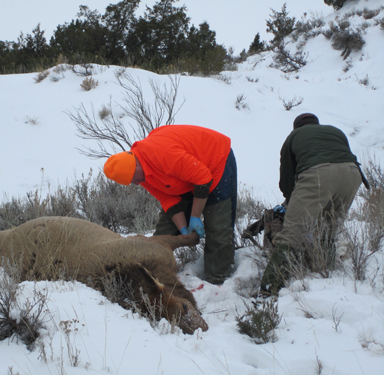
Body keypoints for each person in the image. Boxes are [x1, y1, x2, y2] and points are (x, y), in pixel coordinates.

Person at [103, 125, 237, 285]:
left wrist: (194, 217)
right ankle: (153, 279)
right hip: (186, 176)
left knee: (217, 228)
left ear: (136, 166)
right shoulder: (142, 175)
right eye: (131, 182)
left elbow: (203, 179)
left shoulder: (162, 154)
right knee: (163, 233)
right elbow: (169, 200)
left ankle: (219, 282)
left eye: (133, 179)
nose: (137, 184)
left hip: (215, 161)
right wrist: (183, 230)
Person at [261, 113, 367, 294]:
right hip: (352, 173)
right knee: (329, 228)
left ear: (296, 127)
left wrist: (290, 200)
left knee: (292, 233)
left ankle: (270, 287)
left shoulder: (294, 137)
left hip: (319, 174)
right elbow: (342, 158)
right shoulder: (336, 131)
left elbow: (287, 176)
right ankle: (325, 271)